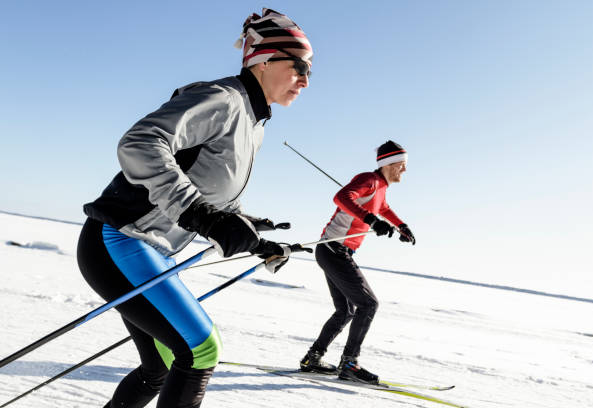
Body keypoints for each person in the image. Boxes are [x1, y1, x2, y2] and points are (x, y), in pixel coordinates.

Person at [76, 8, 313, 408]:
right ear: (264, 59)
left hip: (151, 251)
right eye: (300, 66)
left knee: (160, 369)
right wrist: (201, 216)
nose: (305, 80)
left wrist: (254, 239)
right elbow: (141, 142)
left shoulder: (252, 123)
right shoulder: (223, 99)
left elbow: (215, 199)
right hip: (121, 241)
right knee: (202, 349)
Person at [299, 140, 416, 384]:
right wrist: (372, 221)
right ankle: (350, 364)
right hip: (334, 249)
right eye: (401, 165)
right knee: (368, 304)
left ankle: (313, 358)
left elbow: (383, 208)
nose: (405, 170)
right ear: (388, 164)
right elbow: (342, 196)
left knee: (346, 310)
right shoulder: (369, 180)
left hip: (333, 251)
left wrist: (401, 225)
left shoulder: (380, 187)